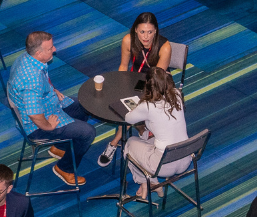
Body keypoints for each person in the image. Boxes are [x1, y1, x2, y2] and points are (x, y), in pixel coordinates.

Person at [10, 31, 107, 186]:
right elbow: (34, 114)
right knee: (88, 132)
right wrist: (49, 127)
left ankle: (60, 146)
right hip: (38, 125)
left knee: (85, 106)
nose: (54, 49)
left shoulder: (27, 58)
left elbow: (35, 88)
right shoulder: (31, 81)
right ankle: (65, 168)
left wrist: (50, 89)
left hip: (47, 104)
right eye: (50, 48)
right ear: (38, 52)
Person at [109, 12, 174, 155]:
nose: (146, 37)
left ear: (155, 31)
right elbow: (123, 66)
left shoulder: (165, 46)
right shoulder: (128, 40)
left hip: (159, 83)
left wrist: (140, 95)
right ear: (135, 30)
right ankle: (142, 128)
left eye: (150, 32)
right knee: (125, 103)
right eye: (142, 32)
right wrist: (121, 87)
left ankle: (114, 142)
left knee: (132, 107)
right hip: (134, 80)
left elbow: (158, 79)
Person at [123, 68, 189, 200]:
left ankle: (148, 182)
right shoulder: (177, 94)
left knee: (130, 143)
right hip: (185, 158)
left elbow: (127, 119)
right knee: (149, 140)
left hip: (164, 165)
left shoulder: (147, 106)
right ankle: (151, 183)